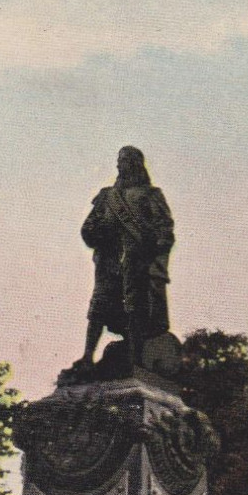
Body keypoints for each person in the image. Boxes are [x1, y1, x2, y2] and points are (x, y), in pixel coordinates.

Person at [79, 146, 175, 367]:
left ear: (134, 164)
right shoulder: (107, 197)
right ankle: (86, 357)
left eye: (123, 160)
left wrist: (153, 251)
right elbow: (87, 228)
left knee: (135, 307)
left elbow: (165, 230)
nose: (118, 165)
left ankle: (135, 359)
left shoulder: (151, 195)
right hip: (109, 263)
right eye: (118, 160)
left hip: (137, 263)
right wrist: (100, 231)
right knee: (98, 307)